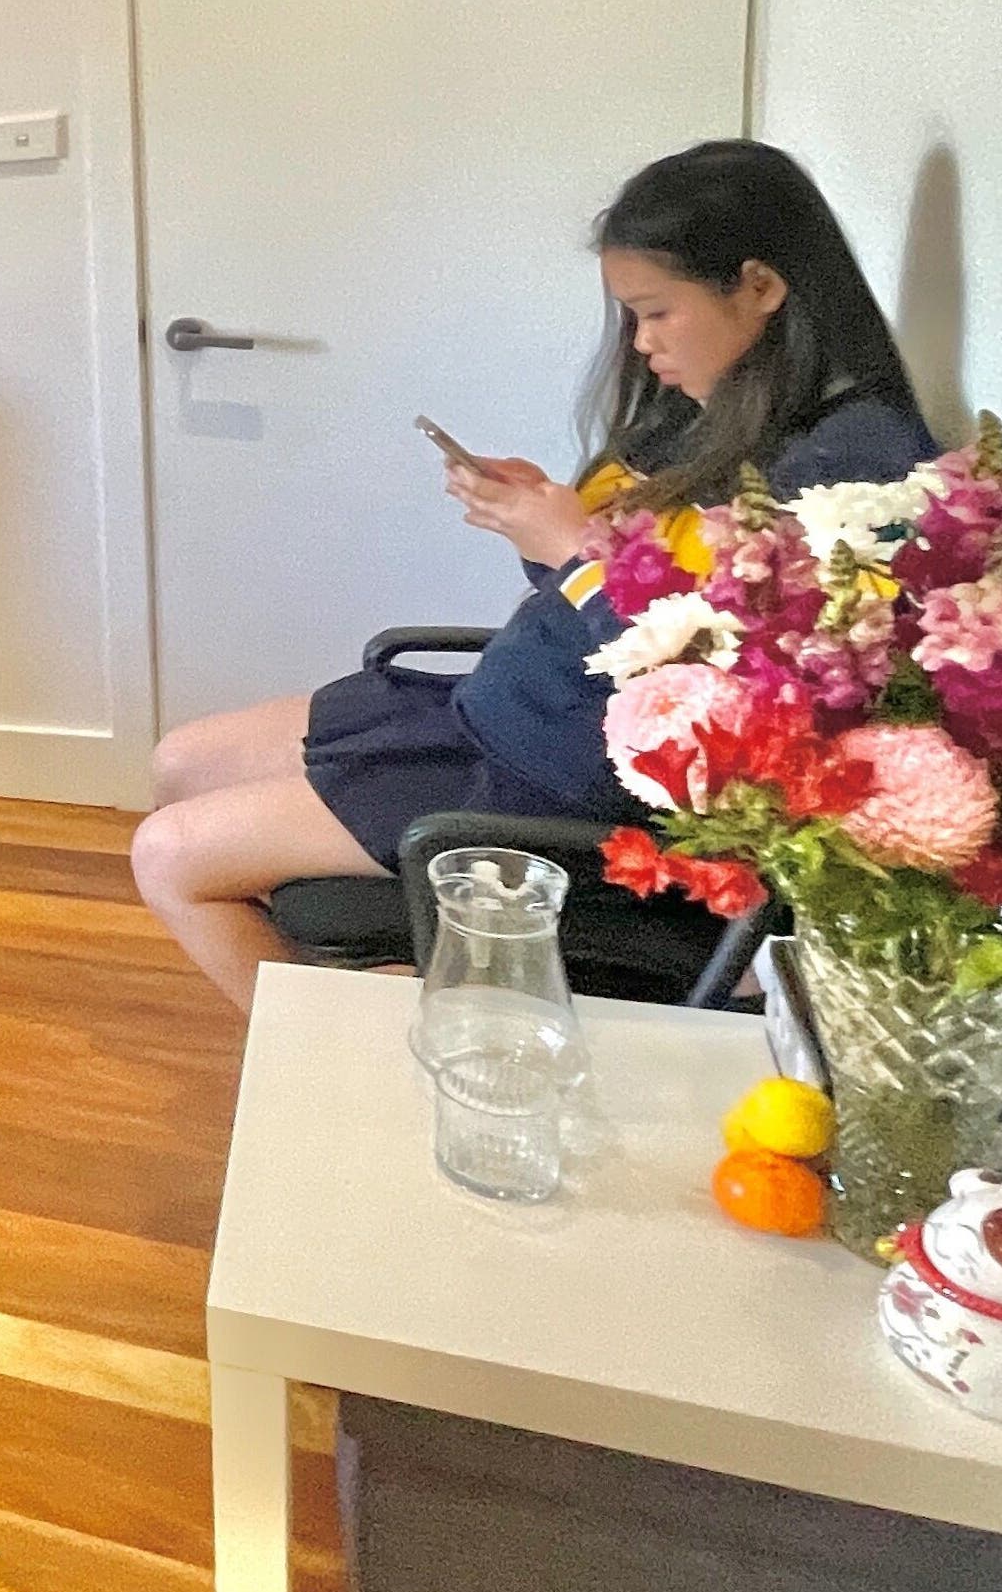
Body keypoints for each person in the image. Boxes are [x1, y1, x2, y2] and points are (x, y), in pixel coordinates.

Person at [133, 141, 938, 1009]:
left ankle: (337, 1051)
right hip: (511, 709)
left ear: (760, 286)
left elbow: (725, 699)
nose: (643, 342)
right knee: (182, 763)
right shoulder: (717, 410)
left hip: (562, 782)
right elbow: (618, 589)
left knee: (169, 858)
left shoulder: (850, 470)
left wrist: (576, 550)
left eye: (657, 312)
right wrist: (541, 522)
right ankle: (356, 1009)